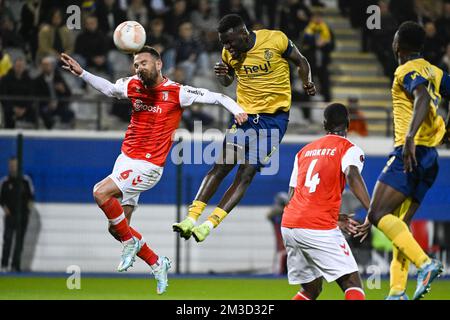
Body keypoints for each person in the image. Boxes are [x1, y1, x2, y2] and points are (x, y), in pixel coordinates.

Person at [60, 46, 247, 295]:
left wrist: (237, 110)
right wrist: (82, 73)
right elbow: (109, 88)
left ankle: (130, 243)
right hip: (125, 160)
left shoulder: (177, 92)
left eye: (144, 63)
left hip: (148, 166)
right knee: (117, 228)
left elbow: (216, 97)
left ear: (159, 65)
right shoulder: (132, 85)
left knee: (100, 193)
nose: (139, 69)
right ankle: (157, 263)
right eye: (136, 64)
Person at [172, 14, 316, 243]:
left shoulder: (275, 39)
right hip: (245, 117)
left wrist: (307, 81)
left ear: (243, 34)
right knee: (221, 166)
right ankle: (191, 218)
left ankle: (209, 225)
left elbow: (301, 60)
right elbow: (229, 82)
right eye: (223, 43)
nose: (227, 47)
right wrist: (224, 76)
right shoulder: (229, 53)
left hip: (274, 121)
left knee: (245, 174)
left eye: (230, 41)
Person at [358, 21, 449, 300]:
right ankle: (397, 291)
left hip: (410, 153)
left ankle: (425, 264)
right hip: (431, 158)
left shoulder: (405, 69)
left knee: (376, 214)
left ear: (398, 43)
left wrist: (409, 137)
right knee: (401, 227)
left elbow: (421, 95)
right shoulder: (435, 71)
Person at [281, 103, 371, 300]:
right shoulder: (349, 149)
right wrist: (373, 212)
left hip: (289, 225)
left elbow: (292, 195)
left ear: (324, 125)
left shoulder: (303, 152)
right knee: (352, 284)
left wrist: (333, 216)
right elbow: (353, 176)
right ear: (348, 123)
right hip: (316, 227)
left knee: (311, 290)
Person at [1, 157, 35, 272]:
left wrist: (28, 210)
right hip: (10, 216)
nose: (12, 167)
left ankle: (15, 266)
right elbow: (1, 199)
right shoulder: (5, 182)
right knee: (7, 240)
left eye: (14, 165)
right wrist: (5, 209)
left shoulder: (25, 181)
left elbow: (31, 197)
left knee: (19, 242)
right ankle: (4, 265)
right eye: (11, 165)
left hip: (23, 216)